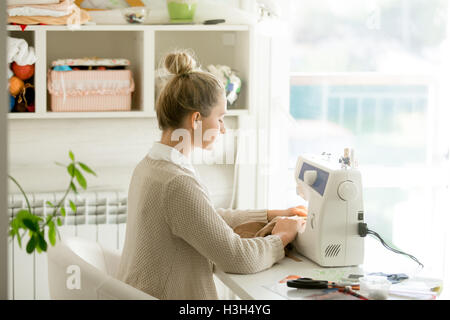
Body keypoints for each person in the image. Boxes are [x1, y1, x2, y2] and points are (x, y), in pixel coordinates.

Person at [117, 51, 306, 300]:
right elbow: (237, 258)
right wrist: (281, 238)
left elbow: (205, 217)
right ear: (196, 119)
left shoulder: (152, 165)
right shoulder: (176, 182)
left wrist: (270, 214)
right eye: (221, 118)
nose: (224, 129)